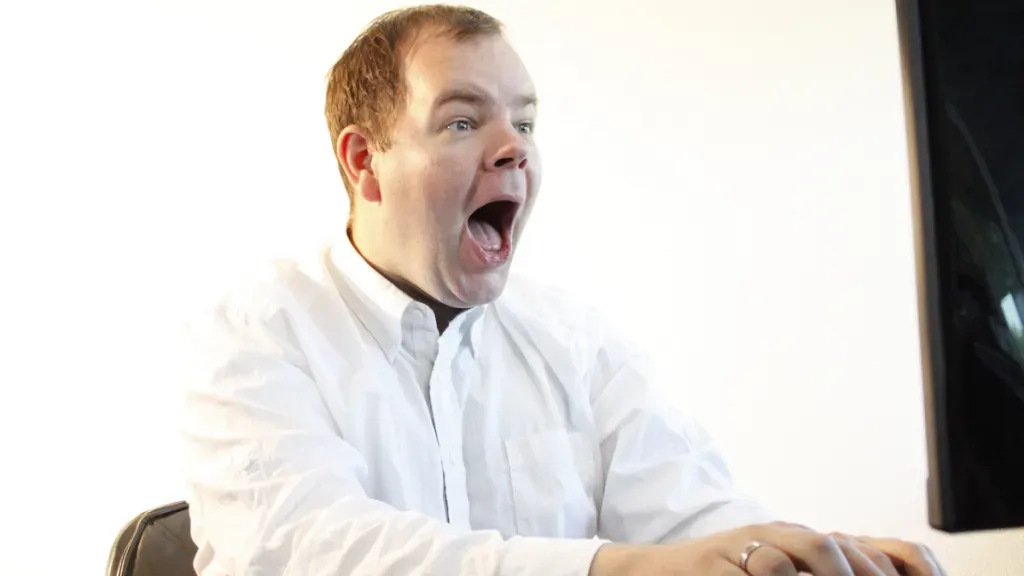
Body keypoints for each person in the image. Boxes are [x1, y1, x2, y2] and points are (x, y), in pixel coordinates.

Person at [179, 5, 947, 575]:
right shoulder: (258, 330)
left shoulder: (575, 342)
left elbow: (693, 518)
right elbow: (310, 549)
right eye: (460, 122)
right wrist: (611, 568)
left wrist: (807, 559)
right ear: (363, 161)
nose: (513, 146)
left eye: (525, 120)